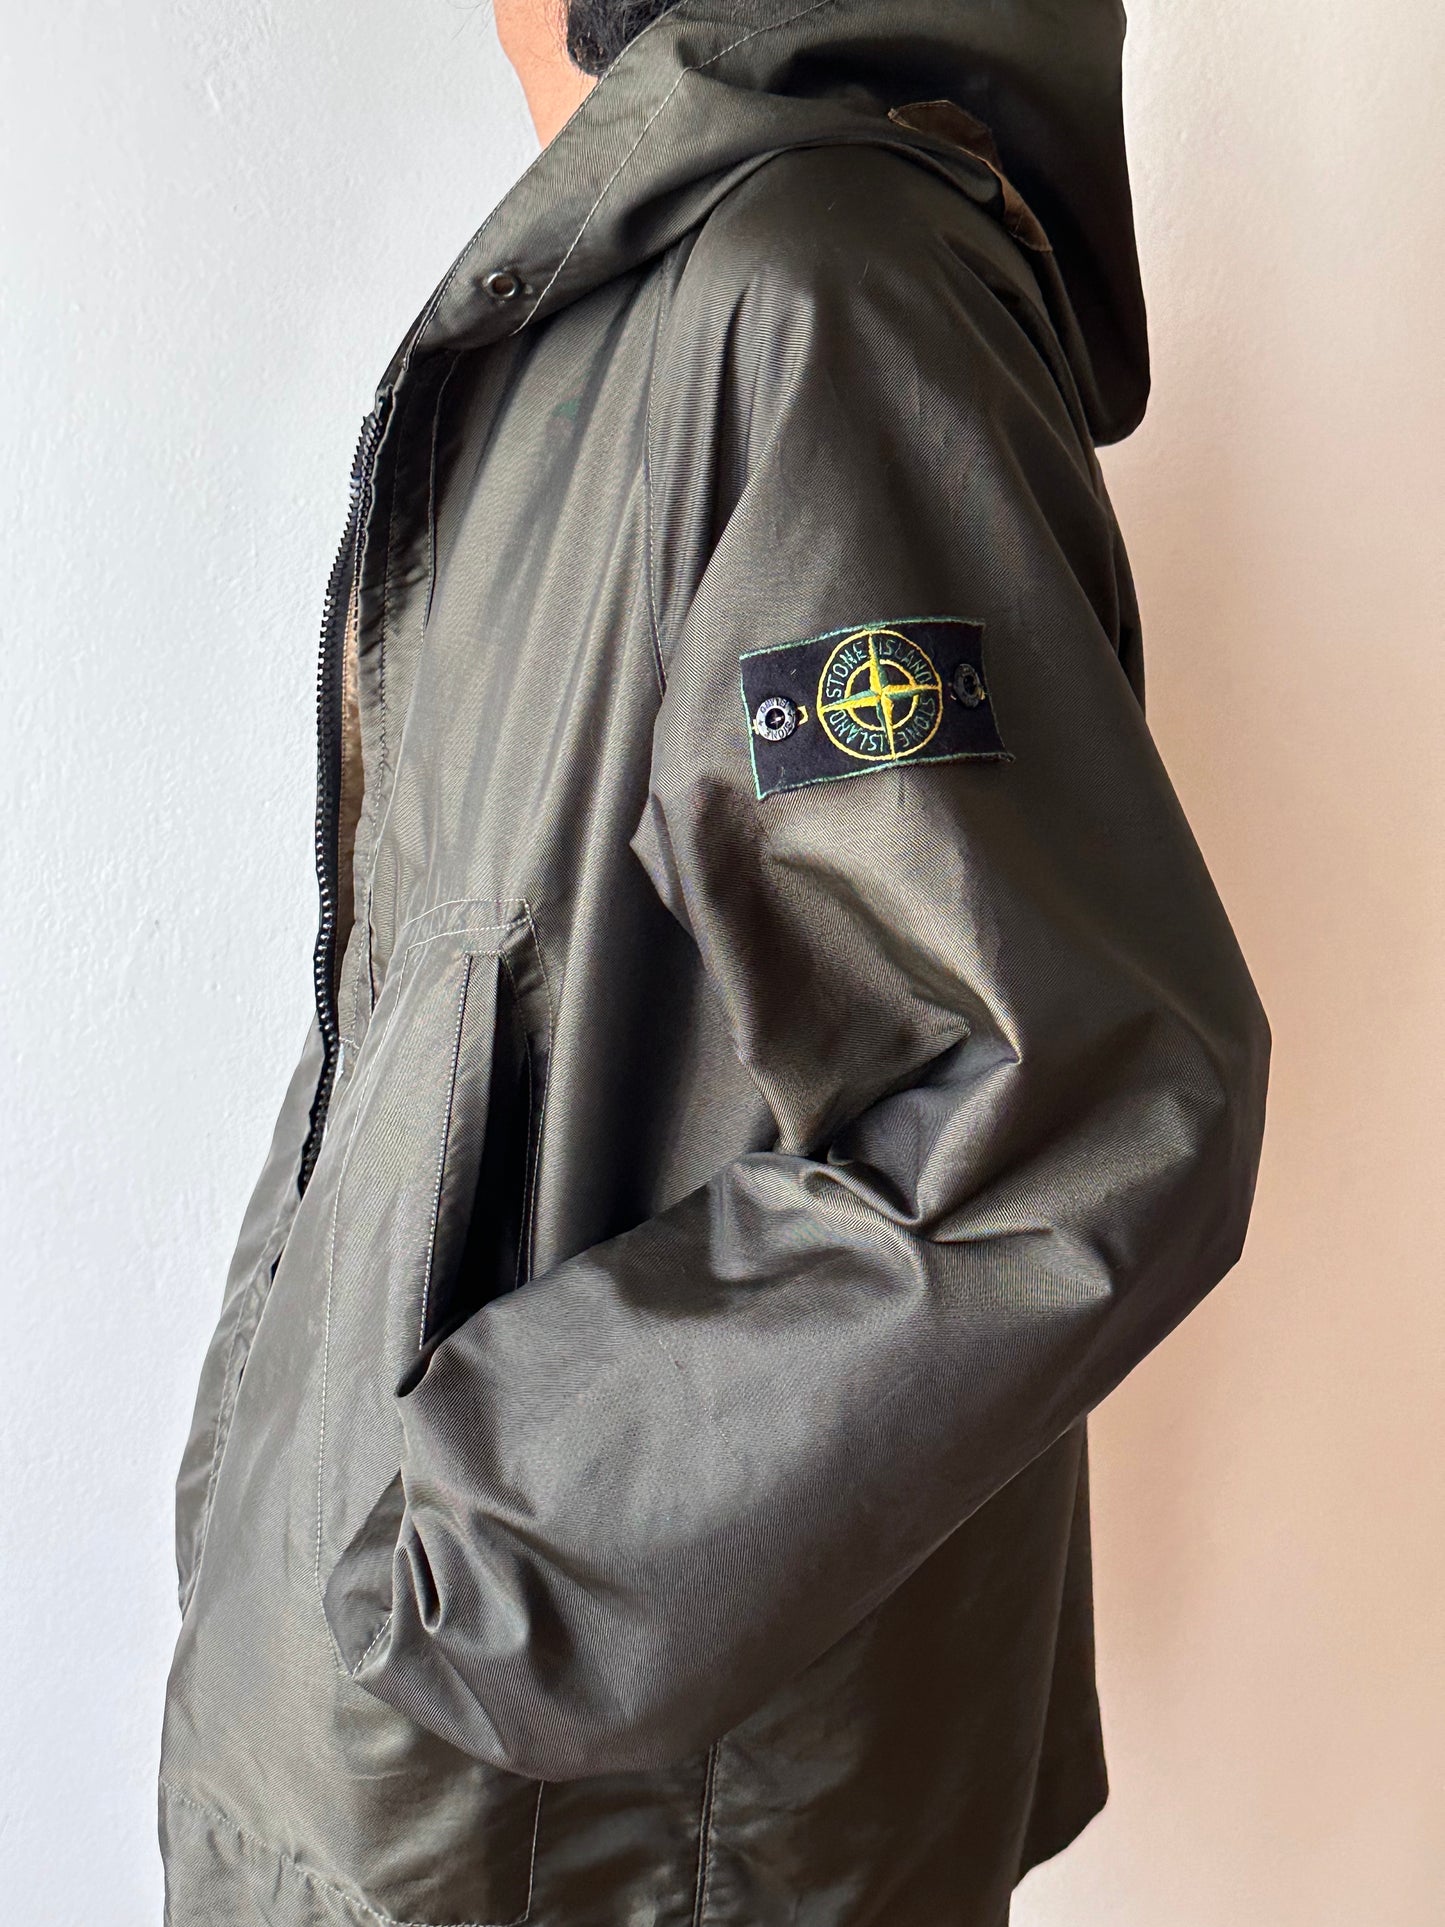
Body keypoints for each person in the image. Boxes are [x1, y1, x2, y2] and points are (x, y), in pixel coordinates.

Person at [158, 0, 1270, 1920]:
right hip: (422, 1766)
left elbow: (1068, 1101)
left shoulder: (814, 300)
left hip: (588, 1825)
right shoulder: (617, 308)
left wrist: (477, 1551)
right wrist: (284, 1506)